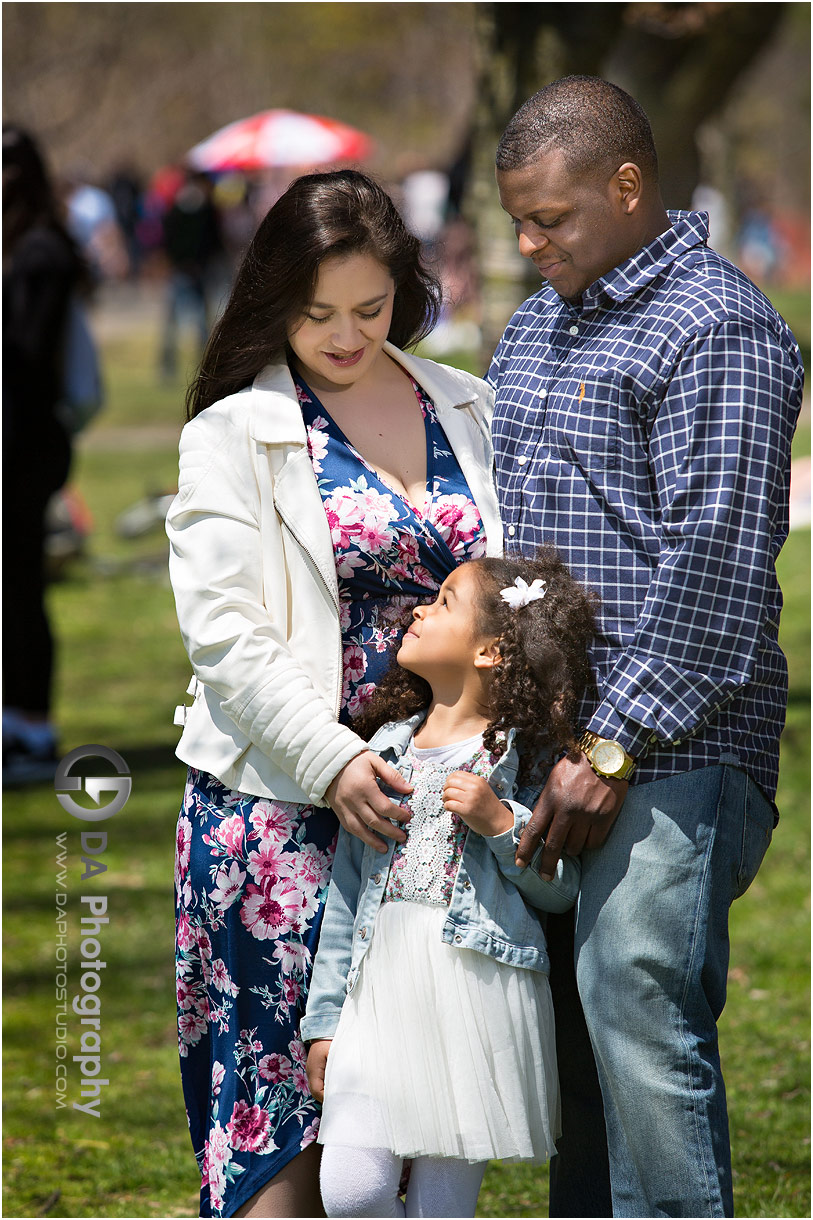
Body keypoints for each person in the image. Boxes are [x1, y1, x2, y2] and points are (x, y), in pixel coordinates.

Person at [488, 75, 804, 1218]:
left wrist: (608, 746)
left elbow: (714, 571)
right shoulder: (535, 324)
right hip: (548, 751)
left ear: (629, 187)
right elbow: (521, 537)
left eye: (551, 218)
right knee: (574, 1059)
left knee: (635, 1013)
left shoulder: (717, 326)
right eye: (516, 218)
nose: (528, 244)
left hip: (673, 754)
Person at [166, 169, 503, 1219]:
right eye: (316, 313)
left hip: (428, 818)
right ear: (274, 298)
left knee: (412, 1136)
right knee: (288, 1134)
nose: (348, 334)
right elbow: (225, 633)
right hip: (275, 813)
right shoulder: (231, 430)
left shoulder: (466, 402)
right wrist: (335, 758)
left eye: (370, 306)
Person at [302, 549, 597, 1218]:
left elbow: (560, 889)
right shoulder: (379, 755)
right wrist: (324, 1022)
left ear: (491, 651)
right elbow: (348, 897)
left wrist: (500, 825)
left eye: (442, 602)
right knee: (352, 1194)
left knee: (440, 1206)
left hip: (474, 994)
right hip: (376, 994)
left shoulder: (519, 762)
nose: (419, 608)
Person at [2, 125, 88, 784]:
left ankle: (32, 727)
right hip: (26, 437)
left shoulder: (38, 254)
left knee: (22, 586)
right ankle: (18, 719)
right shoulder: (29, 246)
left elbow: (25, 362)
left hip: (24, 443)